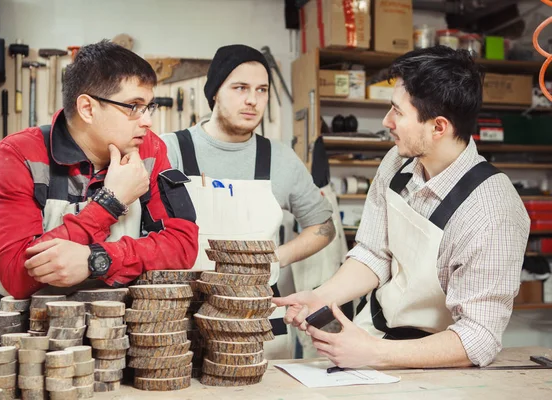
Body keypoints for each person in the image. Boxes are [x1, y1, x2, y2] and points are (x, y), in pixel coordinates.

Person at [274, 46, 530, 368]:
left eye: (398, 111)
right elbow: (374, 253)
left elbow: (478, 336)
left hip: (439, 364)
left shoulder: (493, 211)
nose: (386, 121)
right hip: (374, 335)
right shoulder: (399, 161)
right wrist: (323, 296)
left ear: (438, 127)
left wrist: (374, 354)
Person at [0, 40, 198, 310]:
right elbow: (17, 276)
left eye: (149, 106)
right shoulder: (19, 154)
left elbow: (183, 246)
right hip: (15, 330)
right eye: (133, 106)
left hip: (109, 326)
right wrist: (110, 203)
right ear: (88, 109)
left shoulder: (149, 149)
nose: (147, 121)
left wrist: (97, 259)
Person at [161, 44, 336, 358]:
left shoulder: (279, 158)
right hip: (181, 322)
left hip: (259, 324)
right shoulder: (170, 150)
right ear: (214, 92)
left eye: (262, 89)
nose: (253, 100)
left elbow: (323, 226)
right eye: (240, 88)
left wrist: (275, 257)